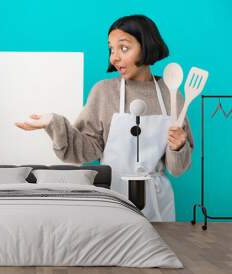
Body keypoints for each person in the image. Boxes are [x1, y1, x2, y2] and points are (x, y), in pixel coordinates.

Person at [15, 15, 193, 222]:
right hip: (112, 195)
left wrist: (178, 146)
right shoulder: (104, 92)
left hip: (156, 201)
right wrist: (54, 123)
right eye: (111, 49)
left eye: (123, 48)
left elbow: (177, 169)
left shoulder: (171, 95)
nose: (114, 58)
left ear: (146, 47)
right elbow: (82, 151)